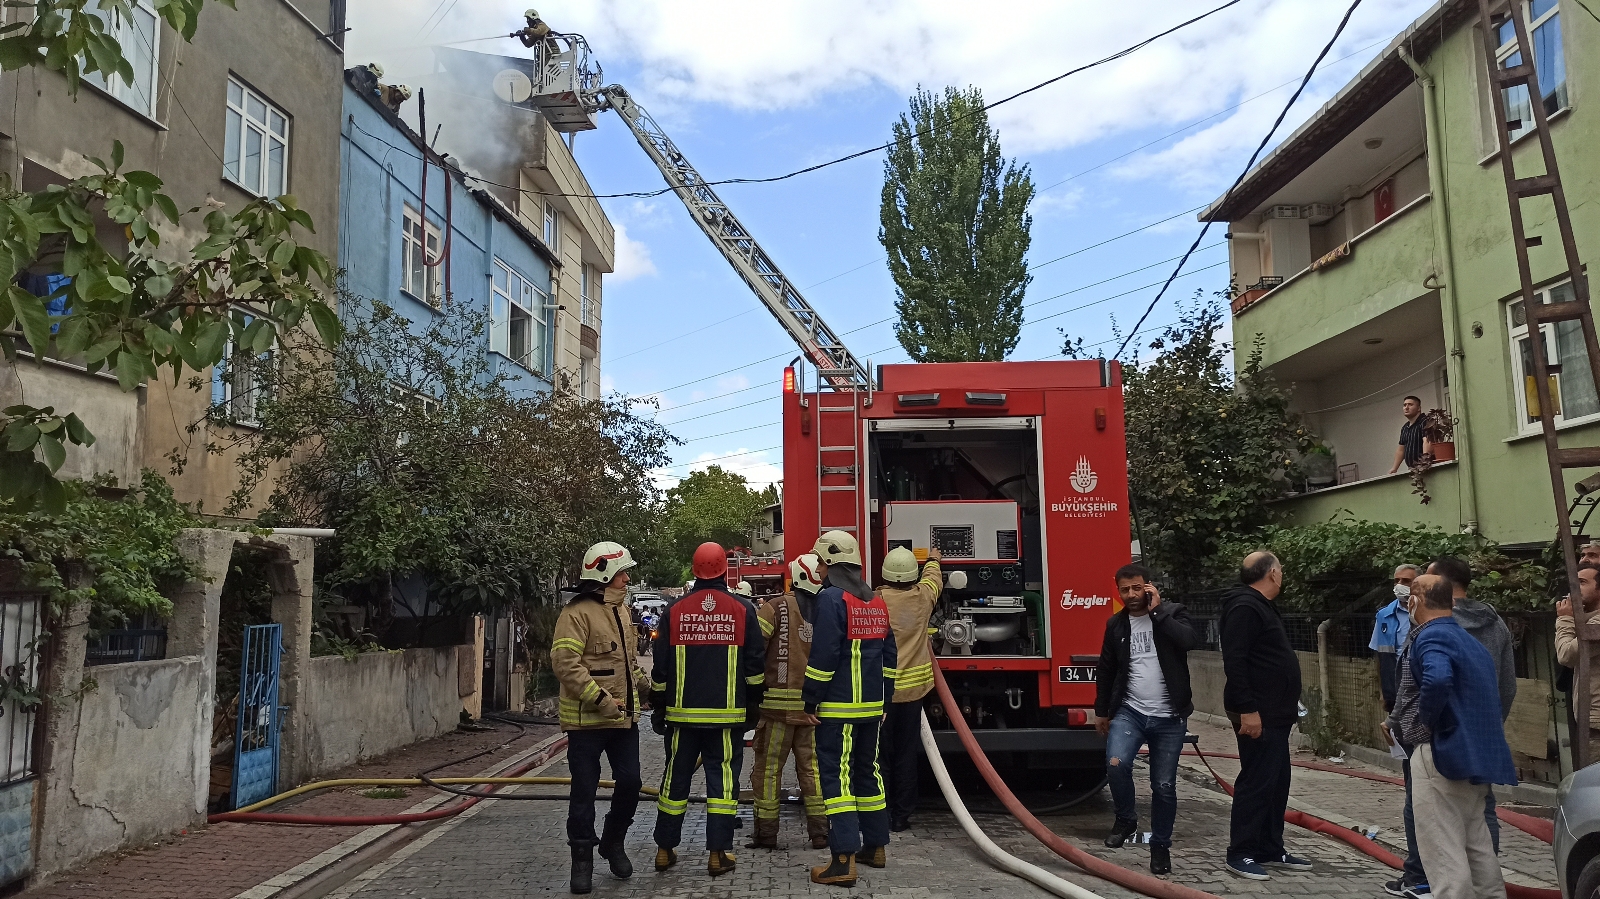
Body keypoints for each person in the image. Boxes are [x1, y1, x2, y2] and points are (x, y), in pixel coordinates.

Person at [1390, 574, 1517, 899]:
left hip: (1440, 754)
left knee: (1444, 854)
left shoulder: (1431, 636)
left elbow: (1437, 678)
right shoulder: (1469, 641)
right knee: (1478, 849)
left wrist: (1429, 722)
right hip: (1475, 757)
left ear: (1415, 602)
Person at [650, 542, 765, 878]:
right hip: (727, 720)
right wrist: (753, 707)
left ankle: (663, 849)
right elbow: (755, 668)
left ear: (694, 569)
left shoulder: (674, 611)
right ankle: (719, 853)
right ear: (724, 570)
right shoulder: (744, 610)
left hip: (681, 719)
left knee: (674, 781)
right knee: (723, 784)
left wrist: (659, 708)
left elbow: (661, 670)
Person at [551, 542, 648, 894]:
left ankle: (612, 842)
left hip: (624, 723)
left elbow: (629, 664)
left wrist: (650, 690)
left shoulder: (621, 611)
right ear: (605, 574)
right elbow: (566, 665)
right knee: (583, 794)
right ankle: (582, 860)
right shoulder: (575, 614)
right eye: (623, 572)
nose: (628, 578)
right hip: (586, 725)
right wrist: (602, 701)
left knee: (631, 783)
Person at [803, 530, 897, 887]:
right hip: (872, 708)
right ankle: (876, 847)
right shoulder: (875, 600)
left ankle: (842, 861)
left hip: (839, 708)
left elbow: (824, 657)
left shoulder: (830, 599)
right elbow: (890, 656)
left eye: (823, 563)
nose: (821, 570)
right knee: (867, 772)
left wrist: (810, 698)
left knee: (837, 778)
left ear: (829, 562)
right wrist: (885, 700)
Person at [1094, 563, 1198, 876]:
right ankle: (1126, 818)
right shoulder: (1116, 625)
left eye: (1137, 588)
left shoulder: (1174, 614)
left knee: (1164, 785)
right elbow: (1107, 669)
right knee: (1116, 763)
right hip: (1131, 712)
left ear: (1148, 587)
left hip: (1170, 718)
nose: (1131, 595)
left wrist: (1157, 612)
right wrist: (1102, 710)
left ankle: (1160, 847)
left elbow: (1188, 641)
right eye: (1124, 589)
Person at [1219, 551, 1310, 881]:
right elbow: (1235, 661)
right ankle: (1240, 851)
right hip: (1257, 712)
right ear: (1272, 574)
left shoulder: (1260, 605)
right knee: (1257, 781)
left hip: (1276, 712)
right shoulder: (1245, 606)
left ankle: (1270, 847)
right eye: (1281, 570)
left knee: (1277, 780)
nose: (1282, 575)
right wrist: (1248, 710)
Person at [747, 553, 831, 850]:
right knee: (813, 771)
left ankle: (766, 834)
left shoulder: (774, 608)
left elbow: (754, 652)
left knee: (768, 770)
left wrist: (752, 694)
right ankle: (820, 833)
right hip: (813, 713)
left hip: (776, 712)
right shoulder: (829, 609)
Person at [879, 545, 943, 833]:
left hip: (882, 694)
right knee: (906, 754)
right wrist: (933, 559)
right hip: (914, 693)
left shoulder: (876, 599)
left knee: (881, 755)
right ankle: (901, 816)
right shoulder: (923, 597)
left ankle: (881, 809)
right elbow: (933, 580)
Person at [1556, 563, 1600, 762]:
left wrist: (1565, 620)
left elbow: (1567, 655)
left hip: (1596, 719)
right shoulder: (1588, 619)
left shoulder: (1597, 624)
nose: (1575, 588)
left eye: (1582, 582)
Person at [1372, 565, 1420, 712]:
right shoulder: (1384, 615)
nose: (1400, 585)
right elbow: (1380, 657)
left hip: (1419, 690)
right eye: (1396, 581)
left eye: (1406, 581)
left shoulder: (1428, 611)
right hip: (1393, 692)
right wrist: (1382, 692)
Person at [1389, 395, 1430, 475]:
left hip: (1427, 469)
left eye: (1410, 405)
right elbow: (1401, 449)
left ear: (1419, 408)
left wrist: (1425, 462)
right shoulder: (1405, 427)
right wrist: (1394, 468)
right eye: (1404, 405)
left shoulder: (1425, 422)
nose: (1406, 407)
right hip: (1413, 470)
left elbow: (1427, 442)